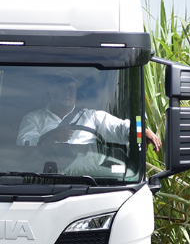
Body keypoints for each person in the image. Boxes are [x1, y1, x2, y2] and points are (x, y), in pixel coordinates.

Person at [17, 71, 161, 171]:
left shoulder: (91, 116)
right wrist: (51, 137)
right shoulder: (33, 118)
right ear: (52, 91)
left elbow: (121, 128)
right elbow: (23, 145)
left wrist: (144, 131)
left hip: (88, 181)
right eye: (62, 87)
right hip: (46, 177)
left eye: (71, 88)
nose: (67, 91)